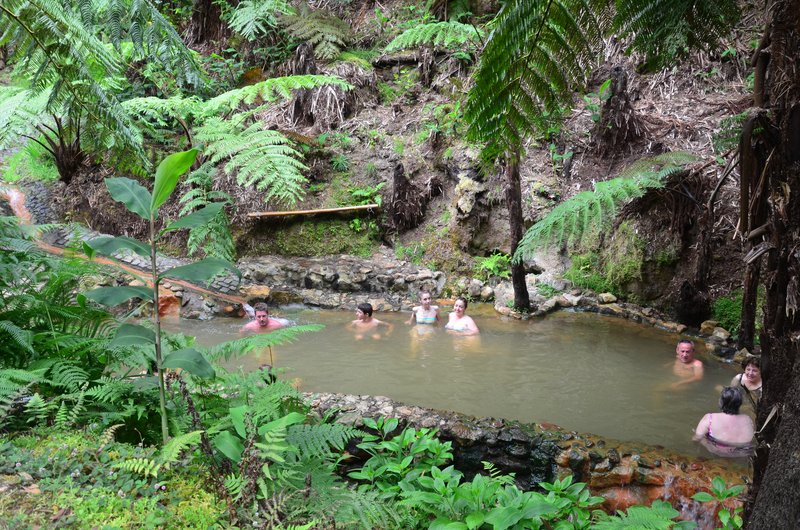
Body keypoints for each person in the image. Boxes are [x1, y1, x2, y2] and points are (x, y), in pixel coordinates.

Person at [693, 387, 754, 457]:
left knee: (701, 436)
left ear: (721, 402)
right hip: (742, 453)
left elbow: (696, 439)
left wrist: (706, 445)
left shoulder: (710, 418)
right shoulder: (747, 419)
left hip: (717, 452)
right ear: (740, 404)